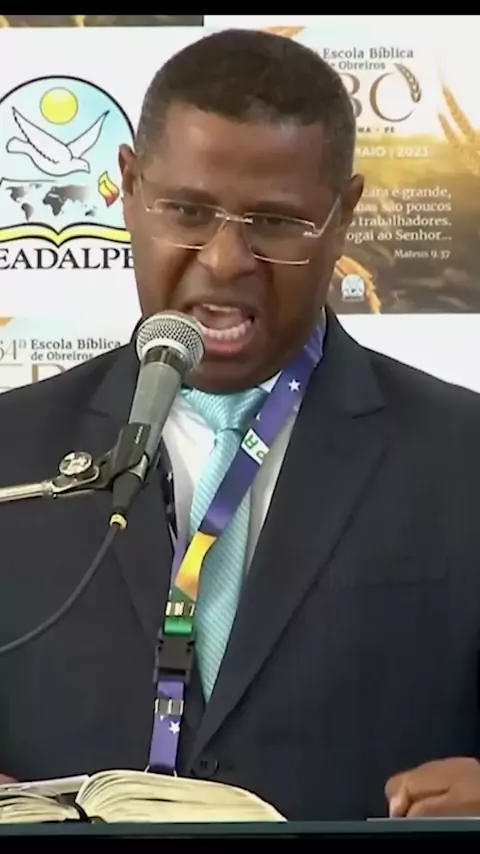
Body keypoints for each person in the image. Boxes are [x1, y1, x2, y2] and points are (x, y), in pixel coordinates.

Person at [0, 27, 480, 823]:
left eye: (276, 222)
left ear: (344, 216)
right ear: (128, 188)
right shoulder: (10, 454)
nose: (226, 259)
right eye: (188, 210)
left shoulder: (463, 456)